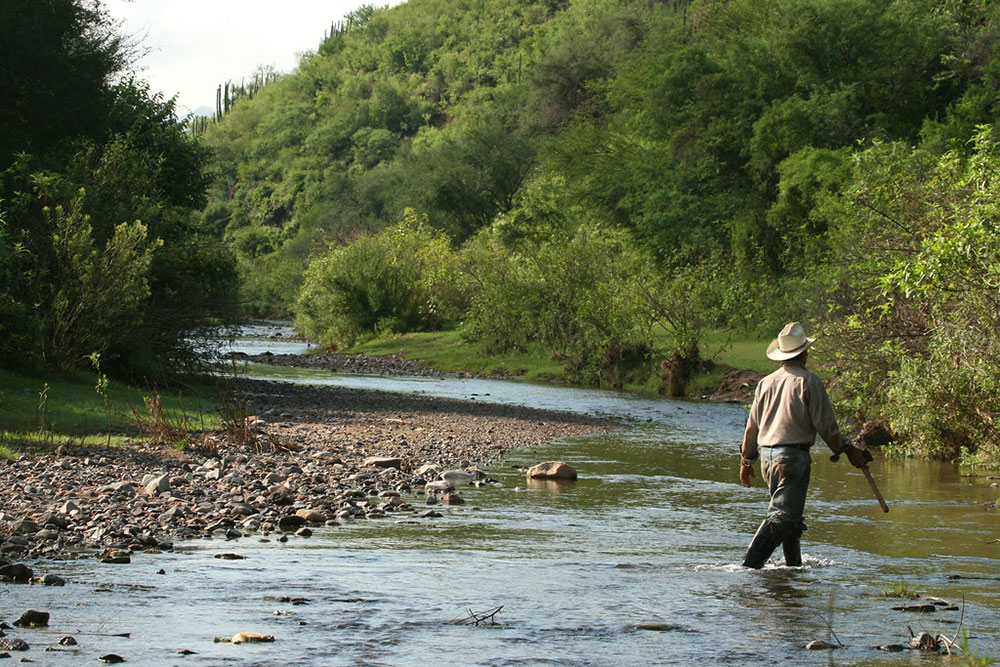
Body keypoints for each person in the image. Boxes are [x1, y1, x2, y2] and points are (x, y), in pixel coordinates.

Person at [739, 321, 868, 568]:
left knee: (791, 516)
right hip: (792, 458)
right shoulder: (809, 381)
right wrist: (847, 449)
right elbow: (826, 425)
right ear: (804, 353)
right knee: (783, 516)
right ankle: (748, 567)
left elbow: (752, 427)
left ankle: (794, 569)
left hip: (767, 458)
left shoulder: (766, 383)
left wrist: (746, 461)